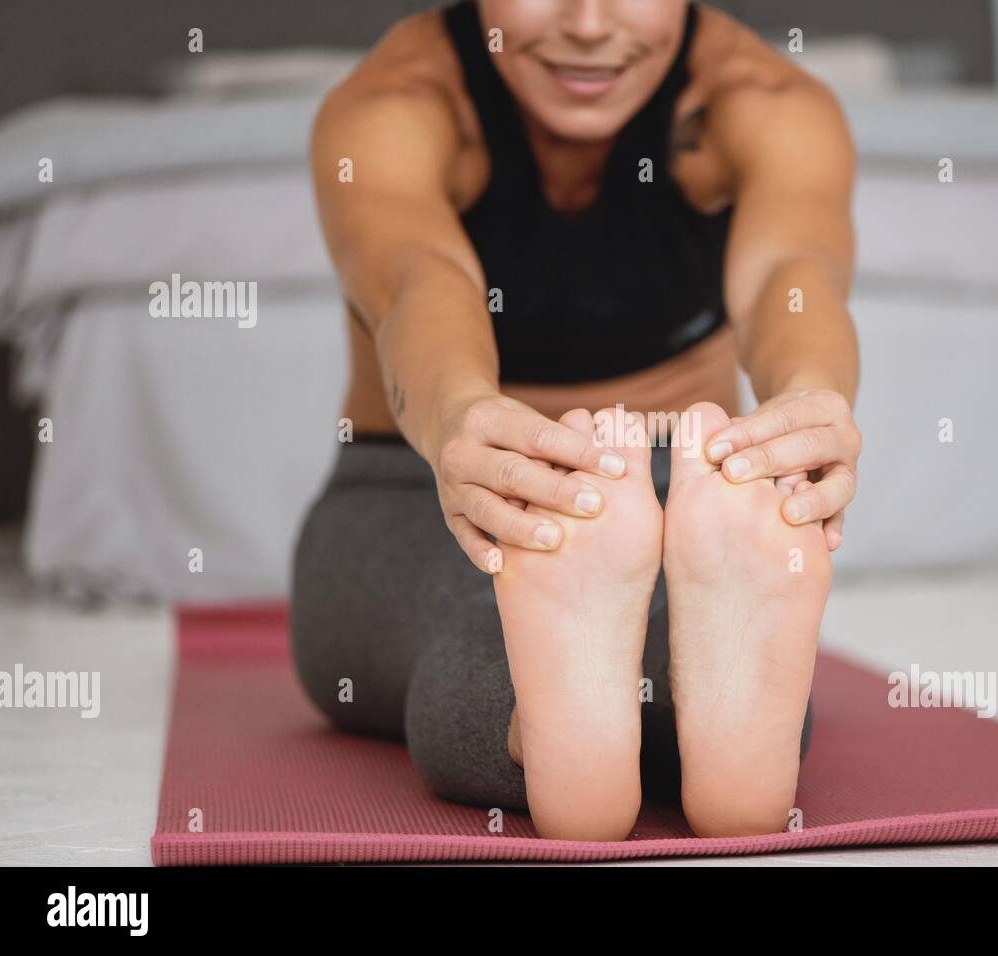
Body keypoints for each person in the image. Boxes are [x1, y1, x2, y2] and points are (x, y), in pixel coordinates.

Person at [291, 0, 860, 841]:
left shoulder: (771, 106)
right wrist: (462, 419)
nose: (591, 25)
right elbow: (420, 278)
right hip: (411, 491)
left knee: (706, 666)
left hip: (678, 508)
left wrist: (806, 402)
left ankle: (596, 723)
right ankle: (580, 714)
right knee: (506, 641)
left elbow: (791, 270)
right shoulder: (389, 109)